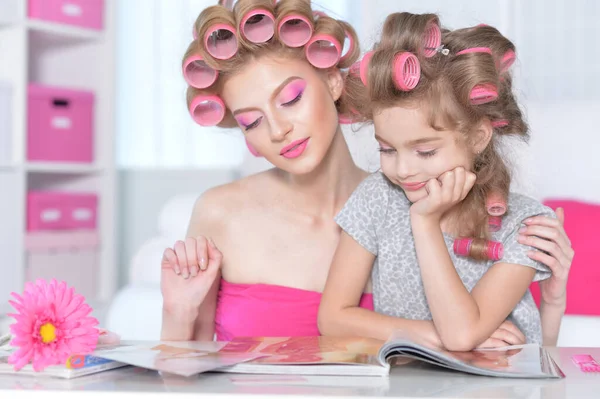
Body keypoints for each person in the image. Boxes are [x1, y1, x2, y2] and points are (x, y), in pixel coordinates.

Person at [161, 0, 574, 347]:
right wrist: (178, 312)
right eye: (251, 121)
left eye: (290, 99)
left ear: (332, 80)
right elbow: (186, 374)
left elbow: (520, 346)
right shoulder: (221, 213)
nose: (277, 129)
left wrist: (548, 310)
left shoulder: (409, 201)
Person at [318, 12, 574, 350]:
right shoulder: (377, 198)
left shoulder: (523, 225)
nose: (404, 169)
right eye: (387, 149)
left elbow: (461, 334)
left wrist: (425, 222)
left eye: (424, 152)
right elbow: (333, 318)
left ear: (478, 137)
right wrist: (429, 335)